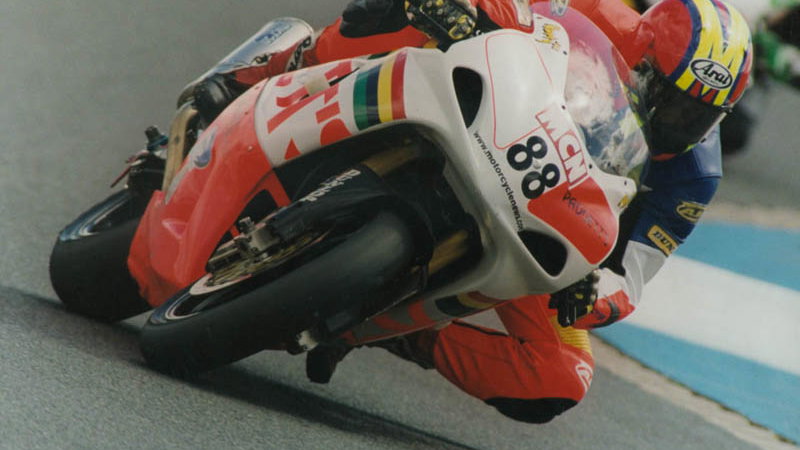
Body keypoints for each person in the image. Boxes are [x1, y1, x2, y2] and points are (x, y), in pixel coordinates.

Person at [182, 0, 753, 424]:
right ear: (643, 53)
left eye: (697, 114)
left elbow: (632, 277)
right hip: (494, 110)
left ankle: (397, 332)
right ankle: (281, 66)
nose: (676, 120)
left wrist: (592, 297)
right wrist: (467, 10)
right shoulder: (600, 13)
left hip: (547, 213)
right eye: (667, 94)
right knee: (402, 13)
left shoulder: (694, 176)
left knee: (562, 377)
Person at [624, 0, 800, 153]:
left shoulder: (699, 174)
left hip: (729, 57)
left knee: (735, 131)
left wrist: (781, 58)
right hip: (666, 33)